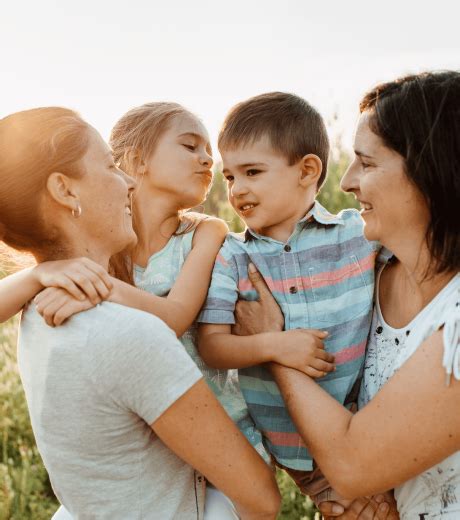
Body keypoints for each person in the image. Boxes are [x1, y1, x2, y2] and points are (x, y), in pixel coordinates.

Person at [0, 107, 280, 519]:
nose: (127, 183)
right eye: (111, 166)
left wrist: (43, 274)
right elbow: (261, 500)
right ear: (64, 189)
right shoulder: (125, 331)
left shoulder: (40, 310)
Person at [234, 71, 460, 519]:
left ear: (430, 168)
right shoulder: (366, 278)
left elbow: (354, 463)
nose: (347, 181)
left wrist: (278, 350)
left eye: (368, 163)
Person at [196, 92, 390, 515]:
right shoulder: (233, 256)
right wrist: (275, 345)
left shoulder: (357, 236)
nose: (238, 189)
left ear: (306, 170)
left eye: (252, 171)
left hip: (365, 428)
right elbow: (213, 345)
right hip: (291, 448)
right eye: (229, 177)